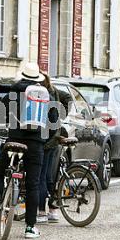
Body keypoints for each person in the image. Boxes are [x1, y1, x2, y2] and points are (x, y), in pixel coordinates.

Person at [0, 62, 49, 239]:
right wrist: (45, 139)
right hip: (35, 145)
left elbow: (0, 111)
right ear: (37, 78)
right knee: (33, 184)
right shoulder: (45, 93)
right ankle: (30, 227)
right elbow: (53, 119)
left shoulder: (14, 91)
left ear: (23, 75)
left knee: (0, 173)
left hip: (14, 141)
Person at [36, 73, 71, 224]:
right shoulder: (55, 91)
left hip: (45, 141)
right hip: (54, 139)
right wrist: (62, 116)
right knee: (51, 175)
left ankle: (42, 211)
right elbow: (69, 98)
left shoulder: (42, 95)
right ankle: (52, 210)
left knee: (41, 176)